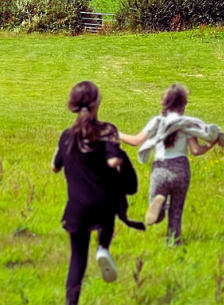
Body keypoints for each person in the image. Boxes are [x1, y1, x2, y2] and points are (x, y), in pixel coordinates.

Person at [120, 84, 224, 246]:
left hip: (161, 170)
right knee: (176, 212)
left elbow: (136, 141)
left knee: (155, 214)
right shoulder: (186, 124)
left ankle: (159, 208)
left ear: (164, 103)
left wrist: (116, 133)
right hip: (181, 169)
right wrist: (212, 143)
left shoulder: (157, 122)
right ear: (183, 104)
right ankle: (173, 244)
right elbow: (196, 150)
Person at [52, 81, 124, 305]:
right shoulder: (107, 131)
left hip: (76, 209)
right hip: (103, 206)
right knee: (110, 206)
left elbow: (54, 166)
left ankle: (70, 302)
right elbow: (113, 161)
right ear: (97, 103)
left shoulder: (67, 136)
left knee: (77, 259)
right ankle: (103, 247)